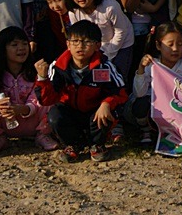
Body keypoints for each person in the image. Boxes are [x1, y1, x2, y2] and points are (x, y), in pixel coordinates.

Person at [35, 20, 127, 163]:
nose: (80, 46)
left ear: (98, 45)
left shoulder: (105, 67)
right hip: (71, 112)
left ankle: (97, 145)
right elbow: (46, 100)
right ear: (68, 44)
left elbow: (121, 93)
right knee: (54, 115)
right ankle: (72, 145)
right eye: (75, 41)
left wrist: (107, 103)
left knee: (107, 111)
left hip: (95, 112)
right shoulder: (57, 67)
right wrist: (42, 78)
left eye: (87, 42)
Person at [0, 26, 57, 154]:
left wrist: (22, 109)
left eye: (24, 44)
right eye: (14, 45)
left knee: (47, 96)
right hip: (8, 123)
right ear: (3, 49)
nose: (21, 48)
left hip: (32, 122)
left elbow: (36, 99)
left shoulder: (35, 71)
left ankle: (43, 135)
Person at [131, 21, 182, 146]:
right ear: (158, 45)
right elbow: (139, 93)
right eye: (170, 44)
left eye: (180, 44)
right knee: (140, 105)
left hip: (177, 105)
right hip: (153, 106)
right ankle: (146, 131)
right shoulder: (151, 64)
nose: (175, 49)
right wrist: (141, 69)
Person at [65, 0, 134, 83]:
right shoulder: (74, 11)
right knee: (99, 78)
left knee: (118, 75)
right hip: (96, 46)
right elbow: (80, 35)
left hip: (121, 43)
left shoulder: (110, 7)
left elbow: (121, 31)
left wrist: (108, 53)